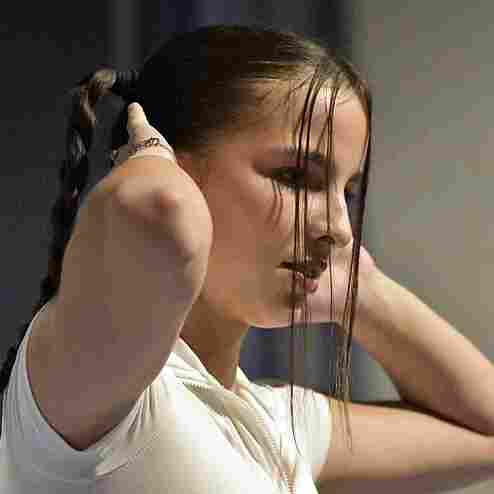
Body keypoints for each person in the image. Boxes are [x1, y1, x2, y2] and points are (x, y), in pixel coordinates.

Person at [1, 24, 494, 494]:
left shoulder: (275, 422)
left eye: (346, 191)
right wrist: (146, 149)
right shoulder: (94, 386)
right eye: (296, 177)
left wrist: (361, 290)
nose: (341, 228)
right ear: (170, 164)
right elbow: (160, 209)